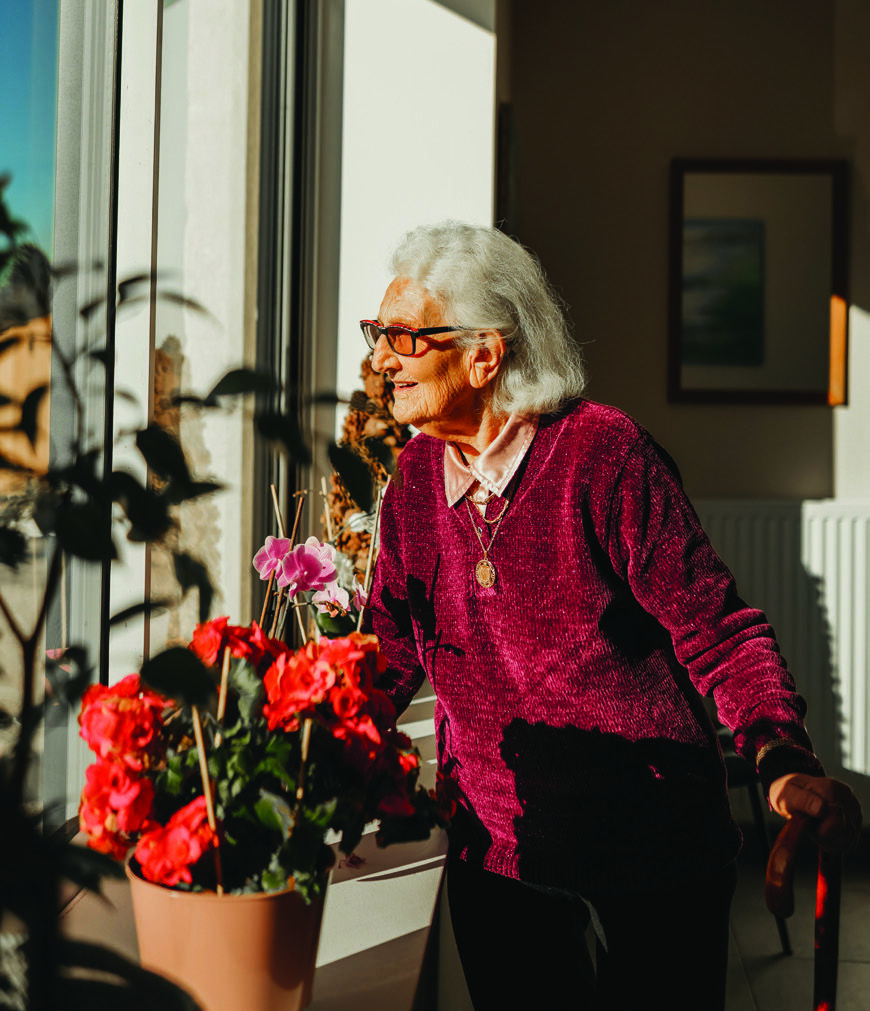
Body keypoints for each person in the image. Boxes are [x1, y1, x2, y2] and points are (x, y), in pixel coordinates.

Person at [361, 221, 862, 1011]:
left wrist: (780, 754)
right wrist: (304, 739)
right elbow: (385, 650)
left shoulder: (602, 454)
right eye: (376, 333)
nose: (380, 358)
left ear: (485, 354)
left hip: (651, 846)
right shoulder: (415, 478)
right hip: (503, 852)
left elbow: (718, 628)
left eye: (402, 336)